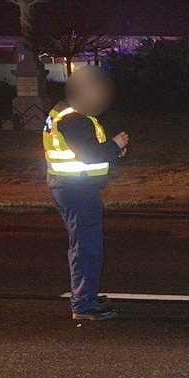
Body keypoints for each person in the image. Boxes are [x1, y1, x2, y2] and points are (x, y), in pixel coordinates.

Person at [44, 65, 129, 322]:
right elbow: (89, 153)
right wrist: (115, 145)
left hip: (72, 188)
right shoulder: (74, 118)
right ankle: (84, 303)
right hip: (77, 191)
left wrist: (111, 151)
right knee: (87, 248)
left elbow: (87, 150)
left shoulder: (66, 112)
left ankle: (86, 296)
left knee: (82, 245)